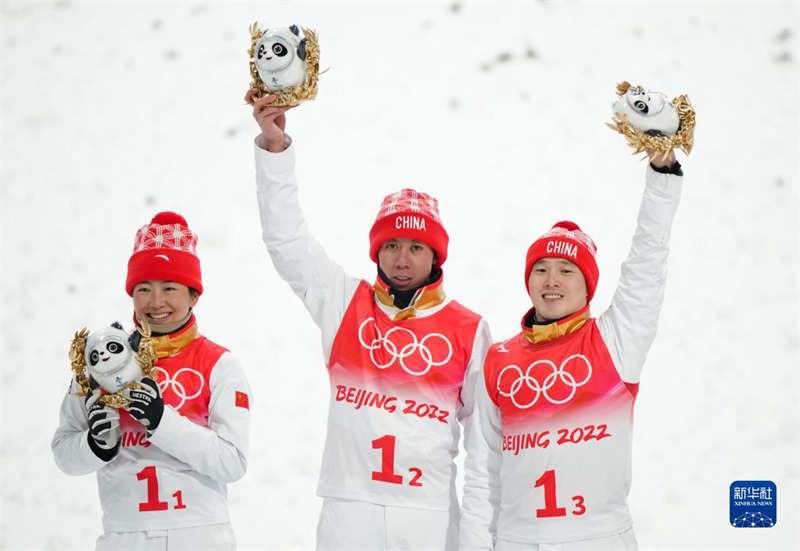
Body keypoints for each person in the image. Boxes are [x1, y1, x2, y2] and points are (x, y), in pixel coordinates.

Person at [246, 90, 493, 550]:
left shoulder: (468, 328)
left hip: (428, 515)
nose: (402, 258)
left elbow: (485, 446)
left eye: (416, 247)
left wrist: (478, 538)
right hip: (349, 510)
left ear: (435, 255)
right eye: (392, 245)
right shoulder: (344, 302)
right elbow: (286, 240)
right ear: (375, 250)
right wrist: (276, 150)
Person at [466, 150, 684, 550]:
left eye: (567, 270)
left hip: (597, 539)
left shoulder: (616, 341)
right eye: (541, 268)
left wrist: (662, 176)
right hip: (517, 540)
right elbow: (482, 473)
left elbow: (647, 264)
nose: (552, 279)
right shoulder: (498, 359)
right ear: (527, 280)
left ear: (587, 286)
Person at [52, 212, 252, 551]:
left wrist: (161, 421)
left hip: (200, 536)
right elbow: (63, 454)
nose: (156, 303)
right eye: (144, 289)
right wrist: (96, 445)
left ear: (194, 296)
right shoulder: (100, 361)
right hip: (123, 537)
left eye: (170, 288)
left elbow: (231, 462)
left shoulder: (220, 364)